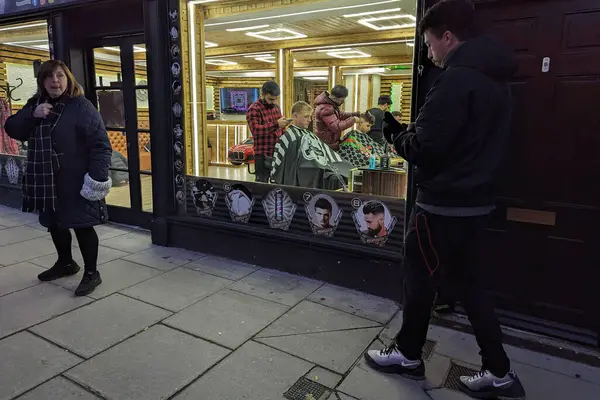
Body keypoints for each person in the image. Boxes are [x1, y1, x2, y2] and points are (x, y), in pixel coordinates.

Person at [367, 1, 526, 400]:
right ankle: (500, 371)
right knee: (471, 287)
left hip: (440, 207)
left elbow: (424, 148)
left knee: (419, 281)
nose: (428, 53)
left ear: (448, 37)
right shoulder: (496, 80)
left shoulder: (455, 80)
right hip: (475, 204)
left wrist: (391, 131)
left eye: (429, 43)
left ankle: (406, 354)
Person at [5, 60, 112, 296]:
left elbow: (101, 146)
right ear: (42, 81)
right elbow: (13, 128)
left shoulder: (81, 106)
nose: (56, 81)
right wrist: (33, 115)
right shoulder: (36, 104)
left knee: (82, 225)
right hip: (46, 179)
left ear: (68, 79)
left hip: (75, 179)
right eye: (50, 76)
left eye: (60, 76)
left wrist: (96, 178)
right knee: (54, 222)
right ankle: (65, 263)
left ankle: (92, 273)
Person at [271, 101, 351, 189]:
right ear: (295, 116)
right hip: (307, 176)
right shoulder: (288, 138)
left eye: (310, 116)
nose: (309, 120)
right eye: (306, 116)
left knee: (346, 171)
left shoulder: (309, 135)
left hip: (319, 167)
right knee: (333, 178)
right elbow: (279, 168)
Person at [246, 81, 290, 182]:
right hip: (262, 155)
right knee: (262, 186)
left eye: (276, 99)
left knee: (278, 183)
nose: (274, 102)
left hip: (277, 152)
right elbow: (256, 131)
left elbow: (281, 129)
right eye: (270, 99)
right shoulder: (254, 109)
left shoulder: (276, 108)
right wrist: (276, 124)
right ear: (262, 94)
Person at [313, 85, 360, 151]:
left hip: (329, 141)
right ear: (335, 98)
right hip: (326, 145)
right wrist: (353, 120)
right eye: (341, 100)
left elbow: (341, 115)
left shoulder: (331, 105)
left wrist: (355, 114)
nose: (342, 102)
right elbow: (336, 127)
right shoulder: (326, 109)